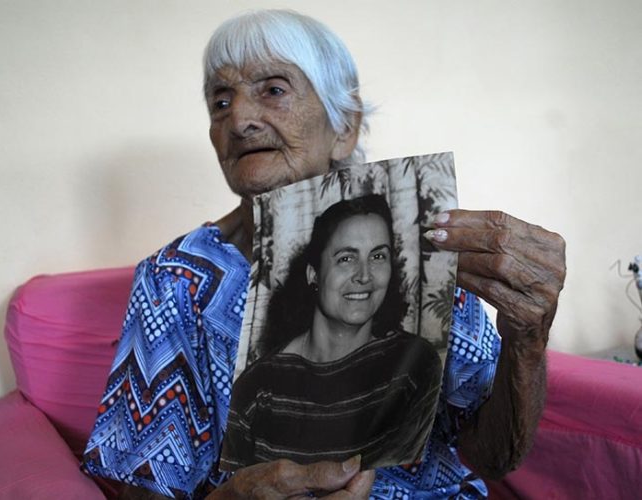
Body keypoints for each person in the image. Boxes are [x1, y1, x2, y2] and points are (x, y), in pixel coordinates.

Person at [82, 9, 566, 499]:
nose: (240, 120)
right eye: (220, 101)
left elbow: (494, 455)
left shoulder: (417, 249)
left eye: (273, 90)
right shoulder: (175, 281)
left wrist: (527, 340)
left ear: (345, 127)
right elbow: (139, 490)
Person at [222, 195, 443, 471]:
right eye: (346, 258)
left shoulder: (416, 365)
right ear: (313, 274)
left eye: (377, 256)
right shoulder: (256, 386)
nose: (364, 275)